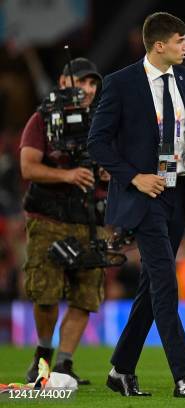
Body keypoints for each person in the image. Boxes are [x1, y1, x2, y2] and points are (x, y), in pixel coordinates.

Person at [88, 12, 185, 398]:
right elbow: (98, 142)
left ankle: (121, 369)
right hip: (144, 197)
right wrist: (134, 177)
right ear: (160, 45)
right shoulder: (121, 83)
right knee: (164, 283)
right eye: (181, 40)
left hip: (178, 193)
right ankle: (183, 377)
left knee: (150, 288)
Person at [20, 57, 104, 385]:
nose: (87, 89)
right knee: (45, 293)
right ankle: (42, 355)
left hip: (88, 219)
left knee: (86, 295)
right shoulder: (41, 120)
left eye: (92, 84)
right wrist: (68, 174)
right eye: (82, 81)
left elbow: (108, 170)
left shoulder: (103, 121)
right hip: (47, 218)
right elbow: (28, 167)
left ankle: (64, 364)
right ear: (63, 82)